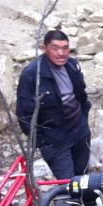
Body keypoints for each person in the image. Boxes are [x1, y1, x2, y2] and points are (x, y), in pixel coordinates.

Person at [16, 30, 92, 180]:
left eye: (65, 48)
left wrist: (84, 120)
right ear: (44, 49)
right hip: (55, 140)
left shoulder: (72, 65)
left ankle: (85, 203)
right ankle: (70, 204)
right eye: (55, 48)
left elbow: (81, 96)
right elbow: (24, 113)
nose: (61, 53)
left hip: (80, 131)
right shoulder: (32, 74)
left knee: (83, 179)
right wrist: (43, 142)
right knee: (67, 184)